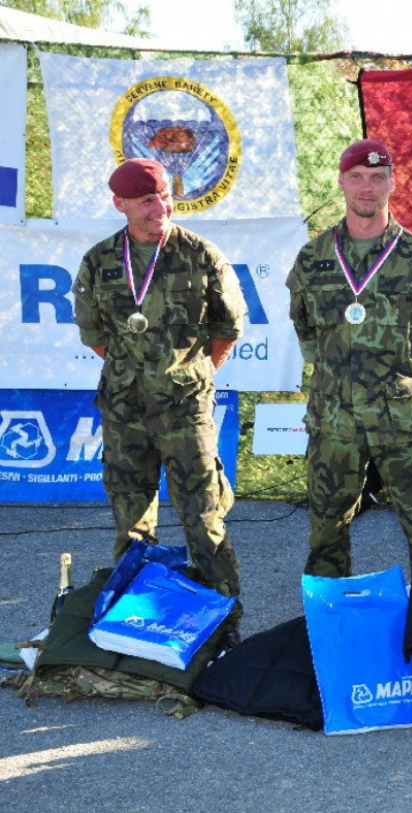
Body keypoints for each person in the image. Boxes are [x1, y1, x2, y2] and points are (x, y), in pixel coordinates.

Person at [72, 158, 245, 630]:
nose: (159, 207)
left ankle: (224, 621)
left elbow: (226, 330)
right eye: (147, 200)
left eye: (165, 195)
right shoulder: (100, 260)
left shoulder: (200, 255)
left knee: (204, 518)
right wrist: (139, 374)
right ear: (121, 204)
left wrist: (190, 375)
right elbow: (95, 336)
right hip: (125, 411)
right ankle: (135, 623)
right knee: (131, 523)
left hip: (185, 410)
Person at [287, 139, 412, 578]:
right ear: (341, 182)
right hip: (333, 421)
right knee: (327, 530)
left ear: (392, 183)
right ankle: (333, 633)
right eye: (357, 177)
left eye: (377, 177)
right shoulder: (313, 258)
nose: (366, 188)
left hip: (401, 419)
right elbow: (304, 326)